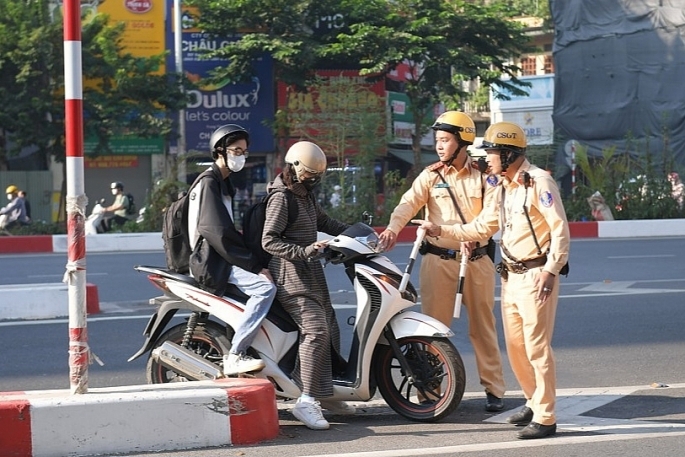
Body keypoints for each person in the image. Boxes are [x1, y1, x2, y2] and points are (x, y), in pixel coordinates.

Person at [411, 121, 570, 440]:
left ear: (509, 154)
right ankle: (532, 400)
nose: (487, 160)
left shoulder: (539, 183)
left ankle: (547, 416)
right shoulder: (503, 186)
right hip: (510, 277)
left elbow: (560, 231)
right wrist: (441, 231)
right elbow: (482, 227)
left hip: (536, 274)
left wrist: (551, 270)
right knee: (515, 348)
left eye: (493, 153)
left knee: (536, 348)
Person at [378, 111, 506, 413]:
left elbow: (490, 221)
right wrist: (393, 228)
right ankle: (429, 391)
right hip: (437, 262)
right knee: (430, 330)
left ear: (463, 141)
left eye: (445, 140)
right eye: (437, 140)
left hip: (476, 261)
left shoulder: (485, 176)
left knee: (483, 328)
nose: (439, 146)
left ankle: (494, 389)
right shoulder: (432, 175)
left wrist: (456, 231)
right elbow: (408, 203)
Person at [262, 141, 353, 430]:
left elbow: (324, 221)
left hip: (311, 270)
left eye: (318, 176)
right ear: (296, 168)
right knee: (316, 330)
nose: (315, 180)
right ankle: (307, 401)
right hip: (291, 274)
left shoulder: (305, 195)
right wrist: (303, 251)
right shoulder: (282, 198)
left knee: (331, 326)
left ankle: (324, 393)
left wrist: (357, 233)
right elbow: (269, 240)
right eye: (311, 174)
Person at [186, 123, 277, 376]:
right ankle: (236, 354)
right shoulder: (209, 183)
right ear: (220, 152)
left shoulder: (223, 183)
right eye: (236, 150)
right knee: (265, 287)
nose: (241, 156)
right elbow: (217, 233)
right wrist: (254, 266)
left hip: (218, 255)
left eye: (244, 152)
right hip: (211, 261)